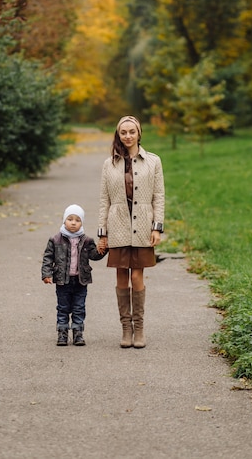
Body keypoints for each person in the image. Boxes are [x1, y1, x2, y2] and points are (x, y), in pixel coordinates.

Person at [97, 115, 165, 349]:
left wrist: (157, 227)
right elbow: (104, 200)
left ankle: (140, 329)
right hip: (117, 227)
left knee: (137, 276)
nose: (127, 136)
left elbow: (159, 196)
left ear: (139, 133)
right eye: (123, 132)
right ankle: (126, 329)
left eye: (131, 132)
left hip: (143, 227)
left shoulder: (153, 161)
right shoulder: (109, 164)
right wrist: (102, 233)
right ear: (118, 134)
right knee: (121, 277)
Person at [41, 204, 106, 346]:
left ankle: (78, 333)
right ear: (64, 221)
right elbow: (48, 258)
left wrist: (103, 249)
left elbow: (94, 255)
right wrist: (46, 273)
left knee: (79, 307)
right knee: (63, 308)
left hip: (80, 281)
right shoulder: (55, 239)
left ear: (81, 223)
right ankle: (62, 333)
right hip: (62, 281)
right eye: (70, 219)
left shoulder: (87, 240)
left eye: (77, 220)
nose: (73, 222)